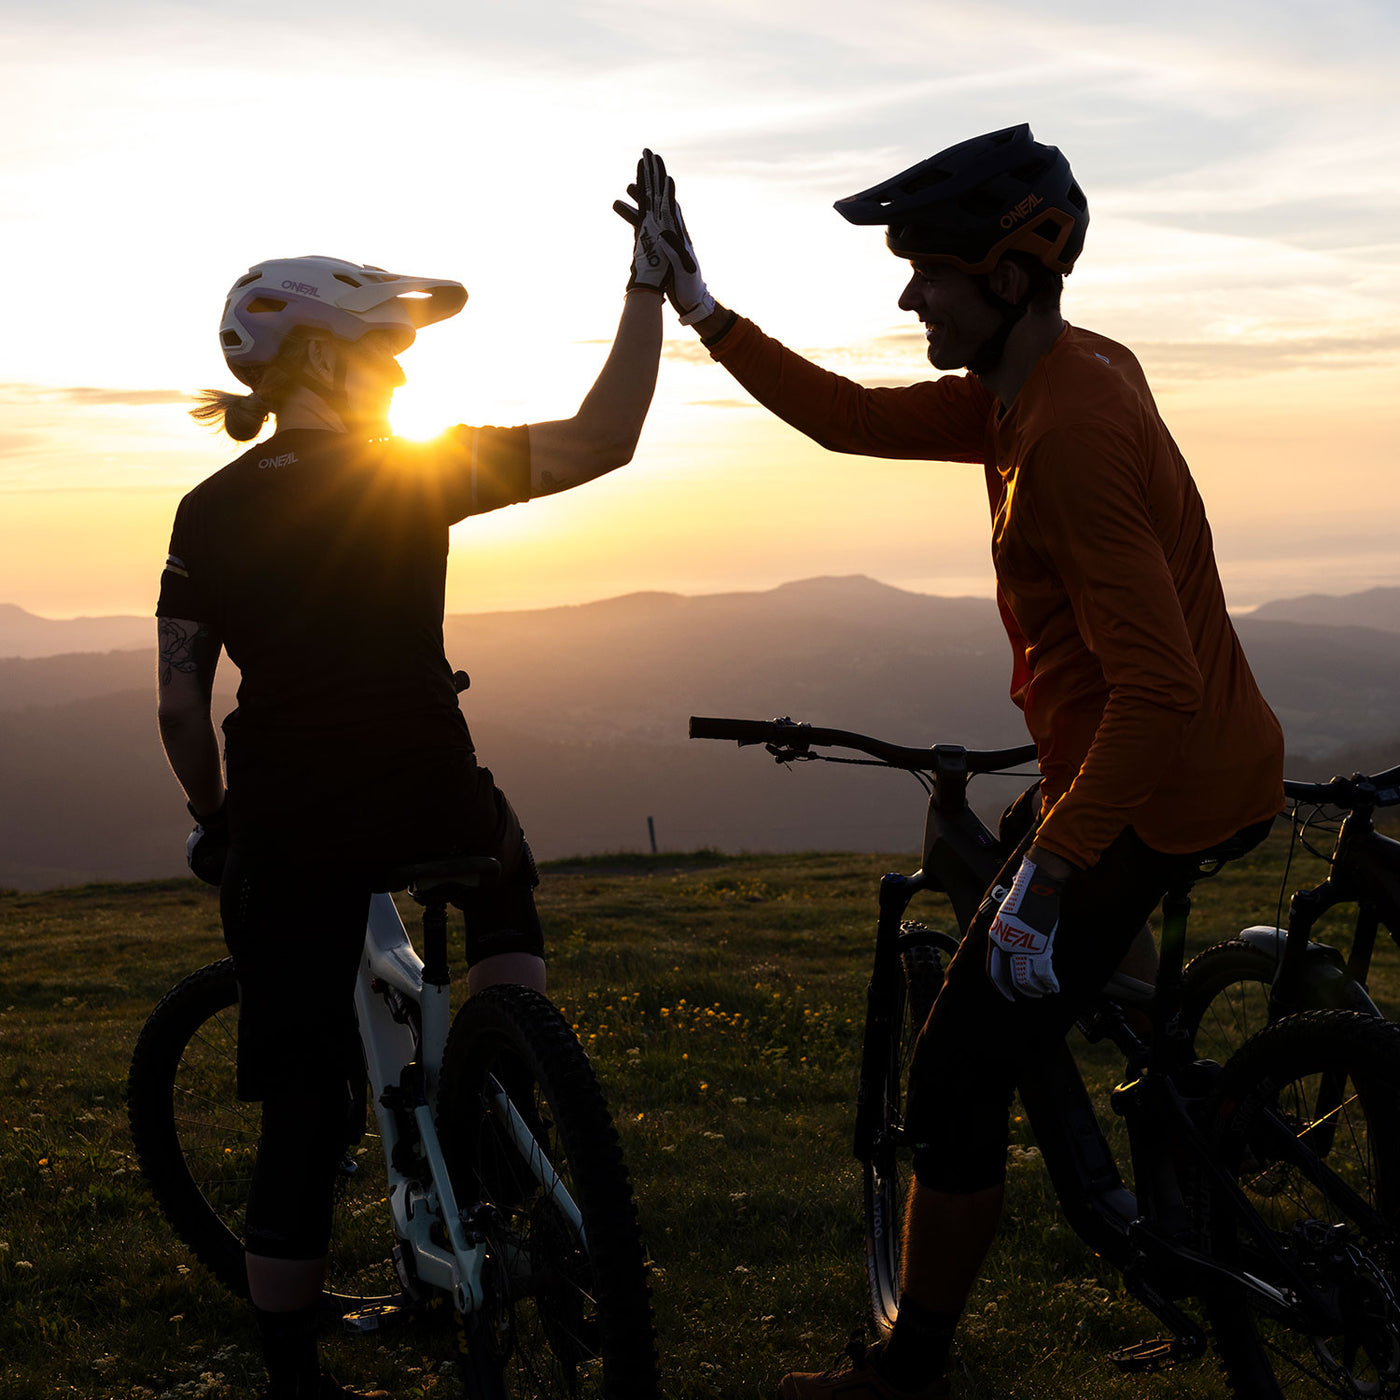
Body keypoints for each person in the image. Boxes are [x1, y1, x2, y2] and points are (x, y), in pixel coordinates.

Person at [630, 130, 1285, 1397]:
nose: (905, 292)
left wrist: (1047, 878)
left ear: (1007, 271)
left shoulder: (1069, 435)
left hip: (1161, 773)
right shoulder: (1035, 382)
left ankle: (911, 1363)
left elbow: (1155, 691)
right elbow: (850, 419)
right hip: (1166, 758)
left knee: (958, 1062)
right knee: (1072, 946)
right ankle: (1185, 1136)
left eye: (926, 268)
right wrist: (700, 307)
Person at [156, 154, 675, 1400]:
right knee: (500, 874)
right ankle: (505, 1079)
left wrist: (216, 821)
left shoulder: (206, 510)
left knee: (300, 1107)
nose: (400, 371)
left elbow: (180, 704)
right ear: (327, 357)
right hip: (427, 788)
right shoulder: (412, 468)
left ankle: (297, 1374)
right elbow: (606, 437)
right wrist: (645, 285)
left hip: (284, 815)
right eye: (383, 351)